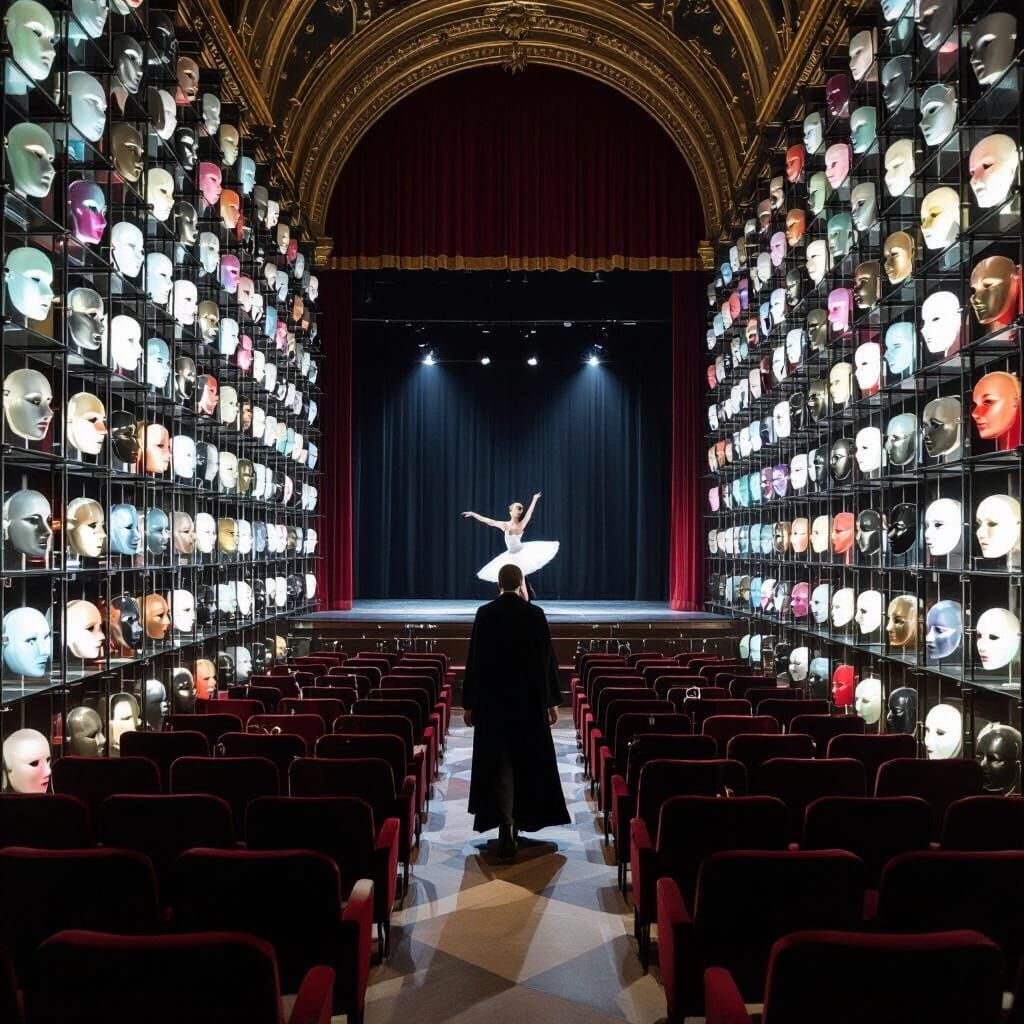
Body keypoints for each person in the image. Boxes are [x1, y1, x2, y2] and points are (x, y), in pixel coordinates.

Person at [463, 563, 569, 859]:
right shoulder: (535, 614)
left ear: (498, 584)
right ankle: (520, 821)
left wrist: (469, 703)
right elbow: (546, 661)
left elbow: (475, 662)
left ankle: (504, 824)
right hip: (528, 704)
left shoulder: (485, 614)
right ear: (520, 583)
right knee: (527, 761)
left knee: (497, 765)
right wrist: (551, 702)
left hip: (493, 704)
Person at [463, 492, 559, 592]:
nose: (520, 510)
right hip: (510, 556)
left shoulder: (521, 524)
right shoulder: (505, 525)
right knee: (504, 579)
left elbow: (529, 513)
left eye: (521, 508)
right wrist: (473, 514)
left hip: (521, 554)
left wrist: (534, 499)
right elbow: (488, 521)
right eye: (518, 508)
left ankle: (525, 599)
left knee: (521, 581)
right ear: (510, 511)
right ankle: (507, 598)